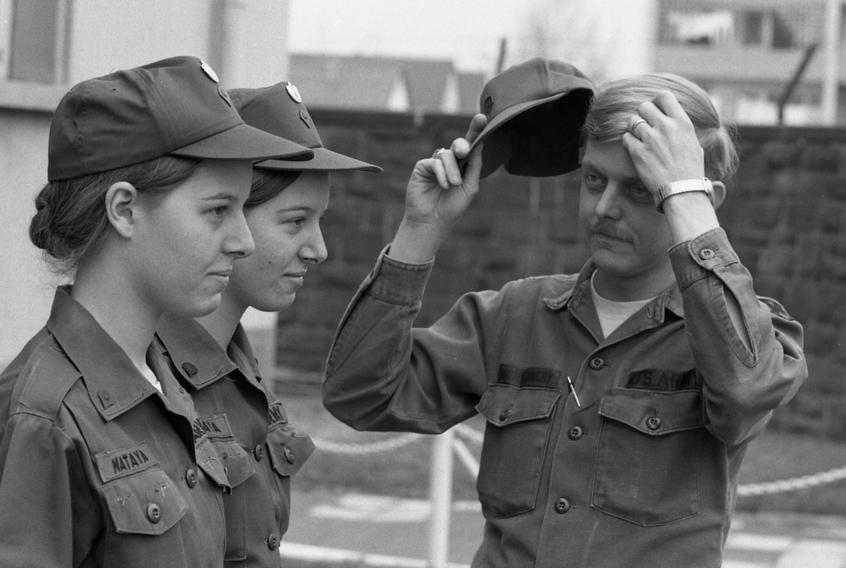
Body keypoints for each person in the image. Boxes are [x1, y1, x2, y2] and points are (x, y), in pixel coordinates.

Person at [322, 58, 808, 567]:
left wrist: (687, 198)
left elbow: (746, 391)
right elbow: (358, 395)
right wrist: (420, 231)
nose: (604, 208)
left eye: (640, 189)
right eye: (595, 180)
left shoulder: (748, 333)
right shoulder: (516, 314)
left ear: (702, 201)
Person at [0, 56, 312, 568]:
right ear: (124, 210)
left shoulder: (170, 392)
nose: (244, 241)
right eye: (216, 211)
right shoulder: (37, 424)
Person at [154, 81, 381, 566]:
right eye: (295, 221)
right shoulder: (150, 382)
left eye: (319, 221)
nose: (319, 250)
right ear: (227, 211)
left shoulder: (241, 373)